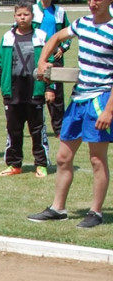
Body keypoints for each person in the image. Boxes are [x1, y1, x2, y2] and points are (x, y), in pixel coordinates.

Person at [28, 0, 113, 229]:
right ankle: (58, 208)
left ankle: (95, 212)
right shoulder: (82, 24)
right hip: (78, 99)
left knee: (97, 159)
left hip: (100, 100)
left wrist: (109, 110)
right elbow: (56, 37)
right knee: (63, 157)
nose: (93, 3)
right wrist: (42, 60)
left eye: (98, 0)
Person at [0, 0, 53, 178]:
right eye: (19, 15)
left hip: (35, 90)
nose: (22, 18)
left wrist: (50, 88)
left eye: (26, 14)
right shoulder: (7, 37)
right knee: (13, 130)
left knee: (37, 130)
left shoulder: (41, 36)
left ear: (32, 16)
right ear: (14, 16)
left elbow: (50, 66)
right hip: (13, 91)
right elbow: (0, 63)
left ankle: (41, 163)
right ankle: (14, 164)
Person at [33, 0, 71, 136]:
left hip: (55, 57)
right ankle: (33, 126)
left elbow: (68, 32)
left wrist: (63, 48)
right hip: (36, 55)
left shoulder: (59, 11)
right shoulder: (31, 10)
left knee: (56, 96)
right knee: (34, 92)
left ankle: (59, 129)